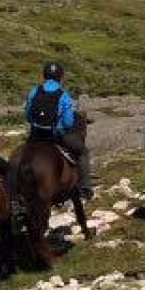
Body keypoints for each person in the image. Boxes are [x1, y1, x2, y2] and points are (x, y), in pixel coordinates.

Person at [24, 61, 94, 198]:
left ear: (44, 75)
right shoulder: (63, 95)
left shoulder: (34, 91)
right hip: (54, 136)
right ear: (60, 77)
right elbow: (68, 123)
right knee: (83, 152)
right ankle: (85, 188)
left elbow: (27, 115)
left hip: (35, 135)